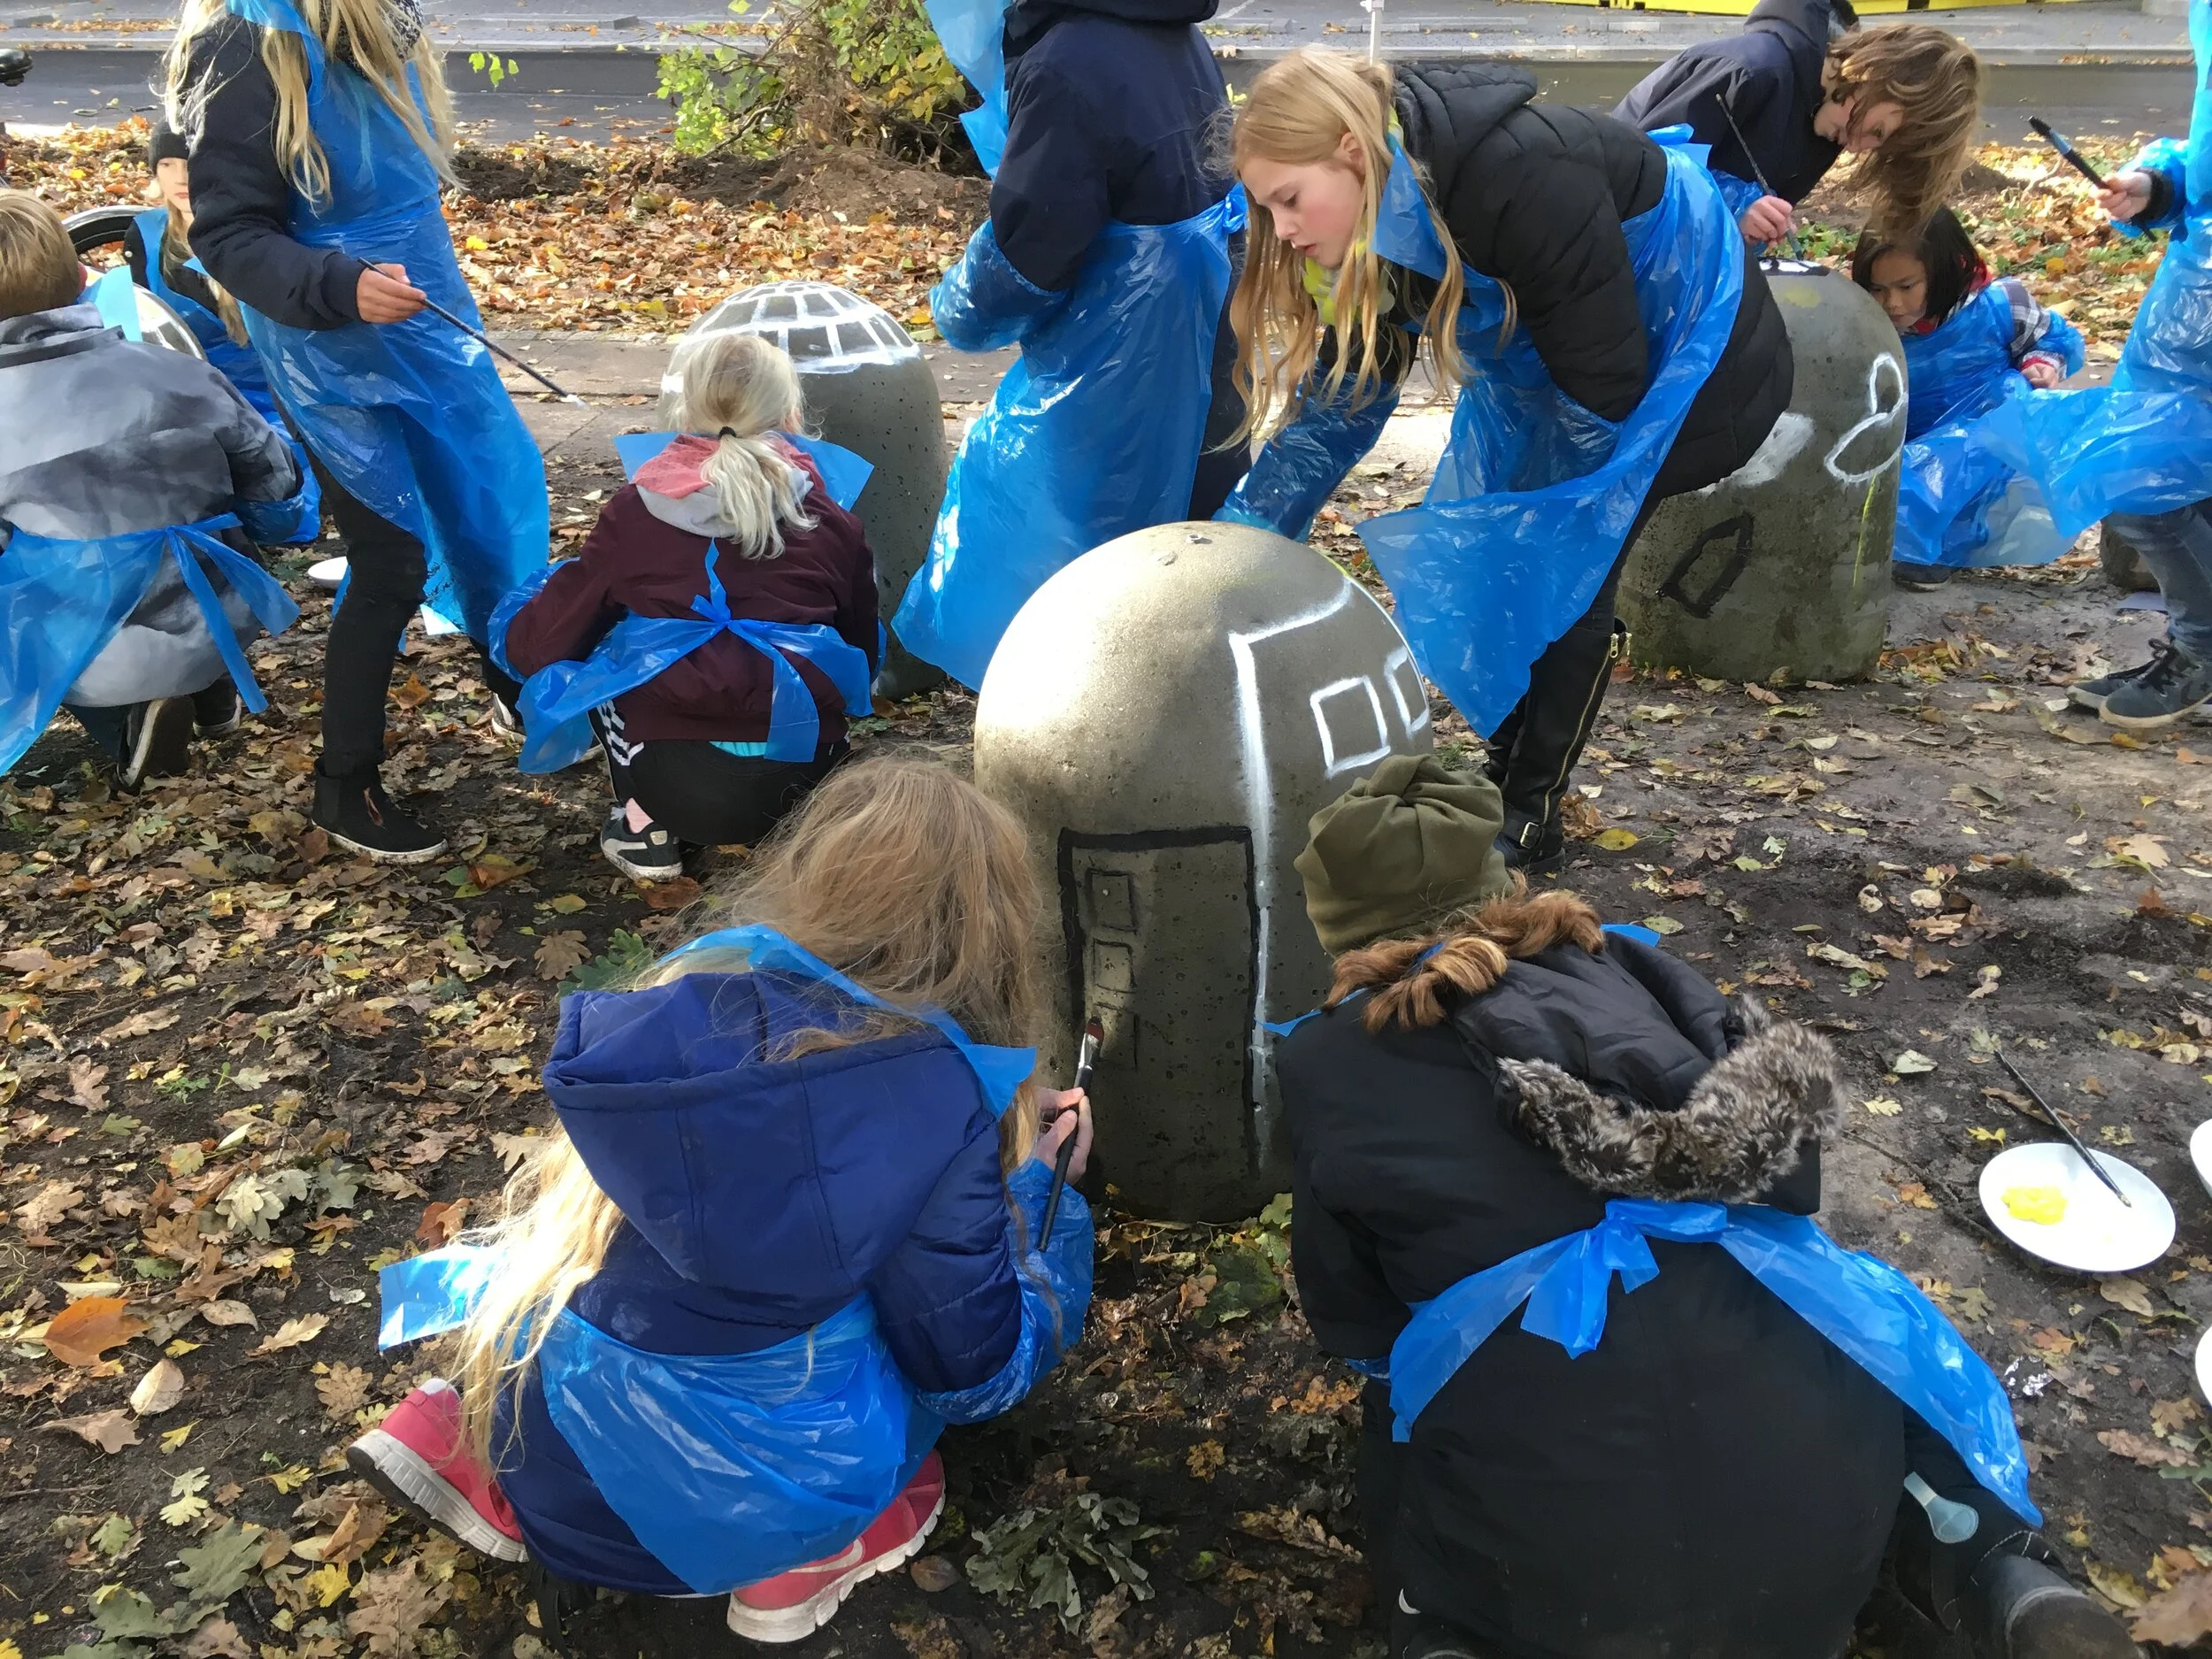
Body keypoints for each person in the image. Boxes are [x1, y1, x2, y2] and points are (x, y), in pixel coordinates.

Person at [1274, 755, 2138, 1659]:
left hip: (1564, 1593)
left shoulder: (1325, 1063)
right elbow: (1790, 1169)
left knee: (1401, 1407)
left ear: (1342, 929)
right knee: (1854, 1357)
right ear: (1499, 882)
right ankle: (1992, 1564)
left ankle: (1439, 1631)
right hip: (1819, 1550)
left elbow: (1354, 1321)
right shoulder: (1627, 968)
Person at [352, 757, 1094, 1644]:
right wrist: (1042, 1199)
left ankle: (455, 1435)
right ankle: (804, 1556)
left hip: (548, 1464)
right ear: (993, 935)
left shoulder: (683, 994)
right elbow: (973, 1371)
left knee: (587, 1266)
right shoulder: (938, 1103)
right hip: (725, 1514)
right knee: (900, 1350)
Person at [1216, 51, 1792, 873]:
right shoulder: (1376, 217)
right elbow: (1340, 408)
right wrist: (1236, 548)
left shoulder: (1518, 179)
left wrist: (1550, 525)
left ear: (1352, 153)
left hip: (1697, 355)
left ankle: (1530, 811)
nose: (1282, 230)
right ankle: (1503, 774)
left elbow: (1606, 392)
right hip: (1563, 360)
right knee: (1512, 548)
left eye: (1289, 199)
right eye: (1266, 207)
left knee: (1569, 562)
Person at [164, 0, 550, 862]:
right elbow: (228, 231)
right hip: (327, 350)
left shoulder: (383, 20)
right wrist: (339, 284)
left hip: (426, 319)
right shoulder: (249, 38)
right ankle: (346, 784)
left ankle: (517, 687)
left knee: (489, 509)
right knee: (390, 560)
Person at [891, 0, 1244, 691]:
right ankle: (1200, 692)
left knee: (1067, 534)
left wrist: (960, 305)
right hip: (1204, 336)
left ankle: (1086, 699)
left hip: (1114, 360)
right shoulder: (1172, 31)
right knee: (1196, 536)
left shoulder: (1065, 62)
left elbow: (1031, 250)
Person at [495, 334, 878, 881]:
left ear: (684, 410)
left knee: (604, 648)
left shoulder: (636, 513)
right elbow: (863, 650)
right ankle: (792, 839)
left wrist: (513, 636)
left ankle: (643, 827)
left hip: (676, 782)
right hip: (805, 776)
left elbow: (546, 641)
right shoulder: (832, 521)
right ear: (790, 414)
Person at [0, 188, 309, 791]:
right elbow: (277, 487)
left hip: (91, 641)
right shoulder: (179, 371)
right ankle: (209, 690)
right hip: (223, 609)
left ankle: (127, 725)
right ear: (77, 275)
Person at [1974, 0, 2212, 732]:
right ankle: (2195, 644)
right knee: (2161, 479)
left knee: (2146, 478)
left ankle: (2202, 648)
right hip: (2192, 312)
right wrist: (2160, 186)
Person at [1849, 207, 2085, 589]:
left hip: (1983, 443)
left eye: (1906, 287)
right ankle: (1911, 540)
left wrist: (2042, 365)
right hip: (1906, 441)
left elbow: (2052, 340)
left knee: (2007, 398)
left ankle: (1942, 548)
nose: (1891, 302)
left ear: (1944, 271)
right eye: (1878, 289)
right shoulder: (1865, 323)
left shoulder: (2002, 304)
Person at [1615, 8, 1982, 244]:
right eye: (1877, 132)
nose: (1856, 147)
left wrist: (1749, 231)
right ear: (1875, 72)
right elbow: (1635, 173)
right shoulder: (1750, 72)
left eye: (1878, 147)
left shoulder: (1827, 127)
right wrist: (1731, 209)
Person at [127, 120, 321, 548]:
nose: (181, 178)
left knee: (282, 515)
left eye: (192, 163)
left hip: (272, 401)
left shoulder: (259, 235)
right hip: (187, 400)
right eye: (167, 164)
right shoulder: (146, 236)